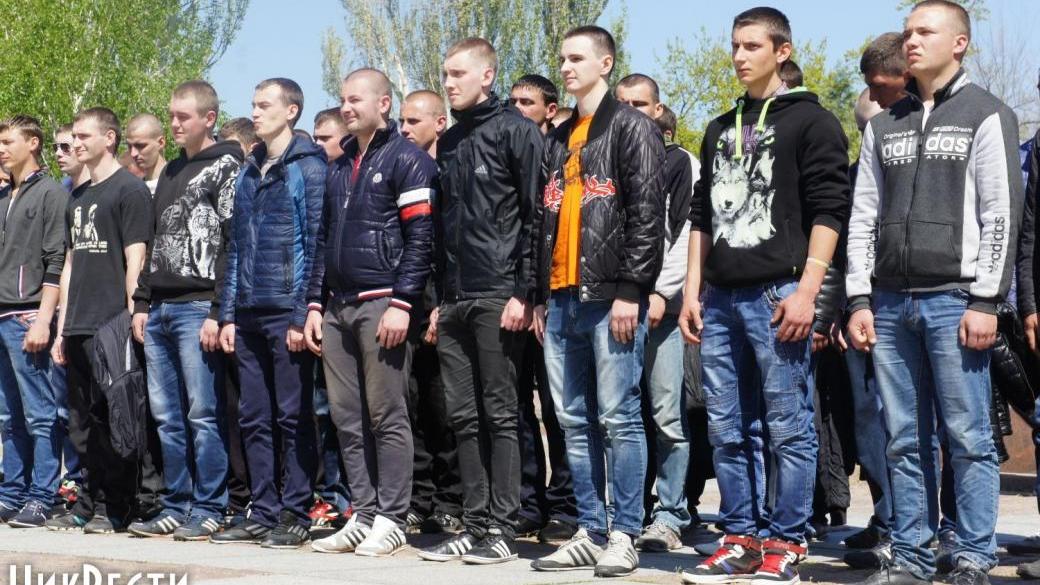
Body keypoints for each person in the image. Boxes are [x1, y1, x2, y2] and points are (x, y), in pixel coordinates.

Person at [846, 2, 1020, 584]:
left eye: (925, 31)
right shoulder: (882, 125)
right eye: (908, 31)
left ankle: (971, 554)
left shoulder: (986, 114)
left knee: (968, 436)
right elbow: (862, 217)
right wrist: (858, 298)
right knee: (902, 439)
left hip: (956, 299)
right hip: (890, 302)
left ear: (960, 42)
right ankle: (914, 557)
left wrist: (985, 301)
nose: (912, 40)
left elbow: (1000, 215)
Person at [678, 7, 850, 585]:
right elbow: (701, 215)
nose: (739, 56)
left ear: (782, 51)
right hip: (721, 298)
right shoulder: (718, 127)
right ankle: (740, 539)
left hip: (780, 293)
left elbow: (830, 210)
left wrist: (809, 292)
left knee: (788, 426)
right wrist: (693, 292)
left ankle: (787, 542)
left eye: (752, 45)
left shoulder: (813, 121)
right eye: (735, 45)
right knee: (727, 428)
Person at [530, 26, 665, 578]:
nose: (566, 67)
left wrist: (633, 290)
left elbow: (647, 214)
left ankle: (625, 533)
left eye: (577, 58)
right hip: (561, 297)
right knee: (571, 420)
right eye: (562, 58)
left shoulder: (631, 126)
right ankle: (589, 529)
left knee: (619, 417)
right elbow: (542, 219)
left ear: (605, 63)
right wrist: (539, 294)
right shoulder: (560, 136)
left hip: (611, 296)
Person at [415, 37, 543, 566]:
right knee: (462, 417)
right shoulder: (449, 141)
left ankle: (504, 527)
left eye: (458, 74)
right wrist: (439, 300)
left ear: (487, 76)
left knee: (501, 413)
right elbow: (442, 227)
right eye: (445, 74)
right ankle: (474, 523)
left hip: (499, 294)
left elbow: (536, 216)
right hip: (455, 299)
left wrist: (523, 292)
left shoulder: (517, 130)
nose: (448, 83)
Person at [304, 68, 435, 557]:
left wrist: (403, 303)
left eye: (356, 99)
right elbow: (323, 240)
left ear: (384, 103)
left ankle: (392, 517)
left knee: (386, 415)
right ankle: (362, 513)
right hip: (337, 307)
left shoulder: (408, 160)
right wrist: (313, 304)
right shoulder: (338, 166)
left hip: (383, 302)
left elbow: (421, 238)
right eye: (342, 99)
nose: (346, 107)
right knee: (347, 417)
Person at [211, 78, 325, 549]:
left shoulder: (308, 167)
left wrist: (301, 314)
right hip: (249, 311)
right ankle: (263, 509)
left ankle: (296, 511)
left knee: (293, 415)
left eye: (264, 105)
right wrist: (228, 314)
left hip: (285, 311)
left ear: (291, 111)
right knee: (253, 416)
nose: (255, 113)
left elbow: (316, 244)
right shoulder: (248, 169)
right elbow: (237, 245)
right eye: (253, 105)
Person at [127, 80, 242, 541]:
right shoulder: (172, 169)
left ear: (209, 118)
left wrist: (218, 310)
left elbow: (232, 242)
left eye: (184, 116)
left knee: (202, 414)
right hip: (159, 310)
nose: (174, 123)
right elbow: (155, 240)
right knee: (166, 416)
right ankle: (177, 504)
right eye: (171, 115)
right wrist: (141, 302)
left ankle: (211, 506)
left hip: (198, 306)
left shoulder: (228, 165)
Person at [47, 107, 154, 533]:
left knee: (114, 419)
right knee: (81, 422)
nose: (75, 144)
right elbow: (70, 263)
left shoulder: (129, 190)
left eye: (83, 136)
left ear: (109, 138)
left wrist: (132, 314)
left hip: (111, 323)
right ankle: (88, 501)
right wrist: (60, 327)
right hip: (77, 323)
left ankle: (116, 506)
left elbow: (136, 258)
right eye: (73, 136)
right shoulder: (77, 195)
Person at [614, 73, 697, 553]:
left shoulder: (679, 161)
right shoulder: (605, 156)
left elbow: (686, 233)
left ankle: (671, 513)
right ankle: (624, 512)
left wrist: (663, 292)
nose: (631, 111)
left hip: (659, 309)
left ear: (658, 110)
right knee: (617, 417)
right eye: (622, 103)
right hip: (613, 307)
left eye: (640, 104)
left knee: (667, 417)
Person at [841, 32, 911, 566]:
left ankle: (925, 530)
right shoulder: (856, 173)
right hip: (865, 306)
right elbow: (852, 237)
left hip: (916, 300)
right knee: (872, 426)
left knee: (911, 427)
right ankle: (888, 518)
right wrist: (847, 304)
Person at [507, 73, 578, 545]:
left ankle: (567, 505)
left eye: (527, 102)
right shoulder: (506, 149)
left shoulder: (559, 152)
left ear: (550, 110)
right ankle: (528, 503)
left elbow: (546, 230)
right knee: (517, 408)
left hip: (553, 298)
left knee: (559, 408)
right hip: (514, 296)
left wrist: (539, 295)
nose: (518, 109)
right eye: (512, 101)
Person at [396, 89, 463, 535]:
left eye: (414, 122)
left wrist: (442, 303)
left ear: (439, 123)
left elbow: (448, 246)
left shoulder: (449, 174)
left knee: (444, 410)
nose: (404, 130)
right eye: (401, 122)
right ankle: (419, 498)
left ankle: (451, 500)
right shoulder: (401, 172)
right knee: (412, 405)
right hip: (406, 305)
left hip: (443, 303)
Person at [0, 116, 68, 527]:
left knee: (40, 413)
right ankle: (12, 492)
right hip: (1, 314)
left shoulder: (50, 194)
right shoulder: (4, 195)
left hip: (27, 316)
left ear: (33, 143)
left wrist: (44, 319)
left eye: (9, 141)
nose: (1, 149)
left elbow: (56, 259)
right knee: (7, 416)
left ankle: (44, 496)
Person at [125, 114, 168, 195]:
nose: (133, 154)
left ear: (161, 143)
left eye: (140, 146)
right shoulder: (132, 191)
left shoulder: (180, 184)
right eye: (129, 146)